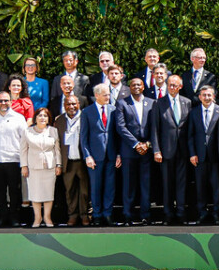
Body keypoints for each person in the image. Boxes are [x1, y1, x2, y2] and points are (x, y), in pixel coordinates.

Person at [150, 75, 193, 223]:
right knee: (167, 183)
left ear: (180, 86)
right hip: (165, 150)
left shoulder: (187, 102)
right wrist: (156, 150)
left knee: (182, 183)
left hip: (183, 150)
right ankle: (168, 213)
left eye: (175, 85)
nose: (172, 87)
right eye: (170, 85)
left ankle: (181, 213)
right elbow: (154, 129)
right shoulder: (159, 103)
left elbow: (189, 128)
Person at [80, 84, 122, 227]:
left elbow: (117, 134)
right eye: (105, 95)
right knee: (96, 187)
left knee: (110, 187)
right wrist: (87, 155)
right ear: (96, 95)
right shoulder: (87, 112)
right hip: (95, 157)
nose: (108, 97)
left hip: (111, 155)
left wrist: (118, 154)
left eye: (108, 95)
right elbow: (83, 137)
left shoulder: (113, 110)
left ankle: (108, 214)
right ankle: (97, 215)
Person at [0, 91, 27, 227]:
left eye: (6, 100)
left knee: (14, 191)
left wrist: (24, 160)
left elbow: (25, 140)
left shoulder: (19, 118)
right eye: (1, 101)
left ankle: (14, 218)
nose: (3, 103)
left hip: (14, 160)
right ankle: (2, 217)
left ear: (11, 101)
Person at [118, 78, 155, 224]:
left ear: (143, 87)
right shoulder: (122, 103)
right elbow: (121, 127)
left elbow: (155, 126)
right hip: (129, 150)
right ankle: (128, 214)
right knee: (128, 185)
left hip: (146, 151)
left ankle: (145, 214)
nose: (136, 87)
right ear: (130, 88)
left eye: (139, 84)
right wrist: (135, 144)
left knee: (146, 184)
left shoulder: (152, 103)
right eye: (133, 85)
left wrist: (147, 144)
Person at [189, 86, 219, 223]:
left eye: (209, 95)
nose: (206, 97)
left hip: (216, 156)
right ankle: (202, 213)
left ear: (214, 96)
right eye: (204, 95)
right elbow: (190, 135)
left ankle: (217, 213)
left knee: (217, 186)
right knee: (200, 186)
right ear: (199, 97)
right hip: (199, 157)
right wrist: (192, 153)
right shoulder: (193, 112)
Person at [22, 107, 62, 227]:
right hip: (33, 167)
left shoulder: (53, 131)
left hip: (50, 167)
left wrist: (58, 164)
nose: (42, 118)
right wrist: (24, 165)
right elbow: (23, 150)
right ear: (35, 118)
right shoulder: (28, 131)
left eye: (45, 116)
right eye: (40, 115)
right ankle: (37, 218)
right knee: (35, 193)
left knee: (48, 193)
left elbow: (57, 150)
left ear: (48, 118)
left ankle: (47, 217)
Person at [55, 95, 90, 226]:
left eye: (74, 104)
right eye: (68, 104)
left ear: (79, 104)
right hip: (67, 161)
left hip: (82, 160)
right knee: (70, 191)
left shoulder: (86, 117)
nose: (71, 107)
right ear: (64, 106)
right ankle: (73, 215)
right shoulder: (59, 121)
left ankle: (85, 215)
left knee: (85, 190)